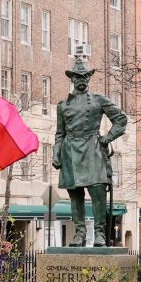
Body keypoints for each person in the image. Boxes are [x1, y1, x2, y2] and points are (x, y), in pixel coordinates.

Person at [52, 57, 127, 247]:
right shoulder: (62, 105)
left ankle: (100, 233)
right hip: (70, 152)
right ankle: (79, 233)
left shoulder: (99, 100)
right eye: (78, 76)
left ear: (89, 78)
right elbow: (59, 134)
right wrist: (56, 153)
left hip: (93, 150)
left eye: (85, 76)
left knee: (98, 193)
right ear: (72, 79)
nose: (81, 79)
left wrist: (106, 138)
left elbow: (121, 120)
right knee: (75, 196)